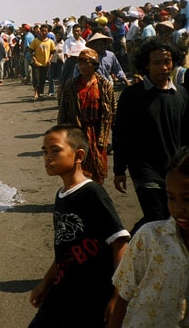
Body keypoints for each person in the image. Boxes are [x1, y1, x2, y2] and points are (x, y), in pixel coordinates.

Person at [29, 125, 129, 327]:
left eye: (55, 150)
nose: (47, 157)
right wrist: (45, 283)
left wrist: (118, 298)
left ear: (79, 155)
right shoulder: (61, 195)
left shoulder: (93, 193)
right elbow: (64, 250)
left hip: (91, 298)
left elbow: (119, 242)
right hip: (60, 293)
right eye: (44, 151)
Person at [113, 37, 189, 234]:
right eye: (157, 62)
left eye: (167, 62)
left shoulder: (181, 94)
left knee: (172, 221)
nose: (164, 67)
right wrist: (119, 169)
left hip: (174, 170)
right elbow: (121, 133)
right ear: (146, 65)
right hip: (145, 171)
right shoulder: (132, 95)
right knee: (158, 219)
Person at [108, 151, 189, 328]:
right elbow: (124, 293)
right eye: (170, 197)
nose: (177, 208)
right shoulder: (150, 236)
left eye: (187, 199)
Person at [57, 48, 116, 184]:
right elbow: (63, 111)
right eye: (80, 63)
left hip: (98, 132)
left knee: (98, 168)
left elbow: (112, 112)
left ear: (94, 65)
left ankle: (94, 194)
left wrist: (113, 134)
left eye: (86, 63)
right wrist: (61, 133)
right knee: (76, 166)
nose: (82, 66)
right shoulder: (71, 85)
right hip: (77, 131)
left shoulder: (105, 86)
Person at [29, 29, 56, 101]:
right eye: (42, 31)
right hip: (37, 63)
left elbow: (52, 52)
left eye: (45, 31)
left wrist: (49, 60)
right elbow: (31, 51)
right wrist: (35, 60)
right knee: (36, 78)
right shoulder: (35, 41)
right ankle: (35, 94)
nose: (44, 33)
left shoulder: (50, 42)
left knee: (42, 79)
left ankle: (39, 93)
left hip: (45, 64)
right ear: (40, 32)